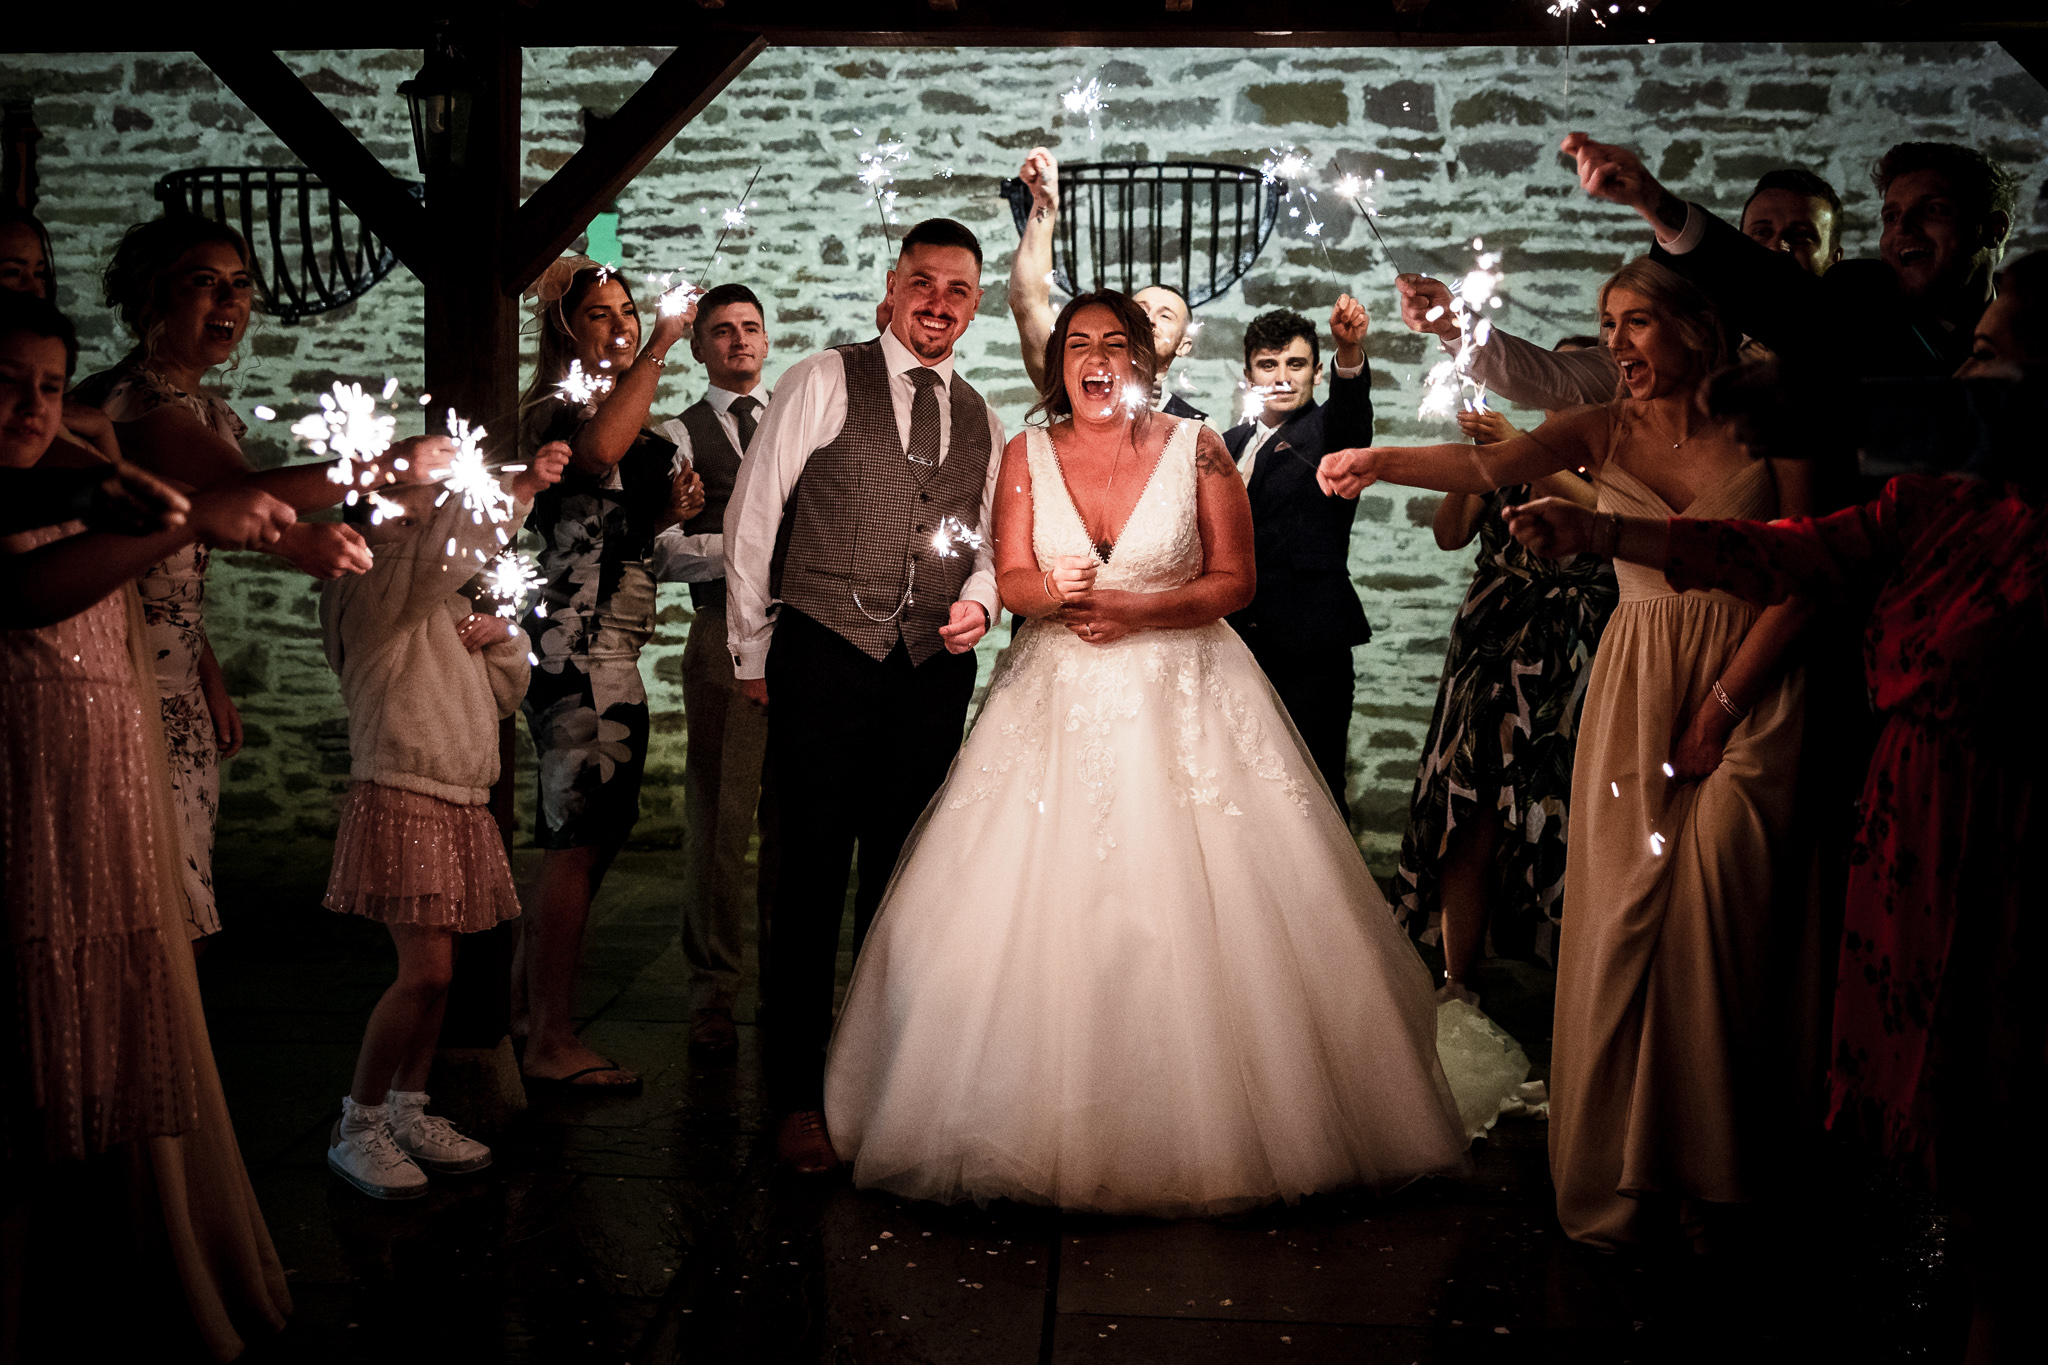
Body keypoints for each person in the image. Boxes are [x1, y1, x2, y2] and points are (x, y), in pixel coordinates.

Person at [821, 289, 1468, 1215]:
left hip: (1188, 693)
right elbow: (1008, 577)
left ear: (1142, 361)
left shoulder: (1197, 448)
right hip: (1049, 700)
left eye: (1113, 344)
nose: (1095, 358)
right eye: (1077, 344)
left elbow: (1232, 581)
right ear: (1059, 368)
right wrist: (1050, 589)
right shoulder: (1023, 453)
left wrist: (1133, 607)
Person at [1320, 258, 1817, 1251]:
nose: (1617, 342)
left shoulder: (1773, 428)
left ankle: (1724, 1176)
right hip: (1638, 678)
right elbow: (1482, 469)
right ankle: (1629, 1170)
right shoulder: (1601, 429)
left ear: (1699, 330)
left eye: (1637, 322)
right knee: (1628, 916)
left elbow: (1806, 572)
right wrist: (1376, 461)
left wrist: (1721, 708)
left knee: (1723, 915)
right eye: (1606, 322)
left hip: (1751, 674)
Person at [2, 290, 294, 1360]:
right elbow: (28, 592)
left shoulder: (83, 461)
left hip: (98, 763)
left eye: (44, 385)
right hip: (22, 774)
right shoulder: (100, 447)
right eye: (6, 383)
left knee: (94, 1042)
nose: (33, 405)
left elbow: (226, 494)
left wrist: (381, 476)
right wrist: (193, 520)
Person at [723, 218, 1000, 1172]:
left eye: (958, 289)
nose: (938, 302)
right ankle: (797, 1096)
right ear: (893, 288)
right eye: (923, 282)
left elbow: (989, 543)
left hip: (929, 672)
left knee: (901, 885)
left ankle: (881, 1082)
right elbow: (753, 512)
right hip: (825, 654)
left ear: (975, 303)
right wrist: (751, 648)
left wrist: (980, 601)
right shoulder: (824, 378)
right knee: (806, 879)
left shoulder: (984, 417)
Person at [71, 214, 391, 946]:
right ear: (154, 296)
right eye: (205, 283)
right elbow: (248, 498)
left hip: (174, 679)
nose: (230, 303)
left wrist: (207, 670)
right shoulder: (139, 407)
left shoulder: (195, 405)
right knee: (143, 910)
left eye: (241, 285)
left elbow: (165, 563)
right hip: (123, 685)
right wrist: (390, 463)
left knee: (174, 904)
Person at [319, 439, 569, 1198]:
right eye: (414, 510)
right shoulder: (367, 587)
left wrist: (507, 641)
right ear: (376, 523)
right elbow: (436, 559)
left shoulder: (440, 601)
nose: (428, 522)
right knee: (423, 972)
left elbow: (498, 697)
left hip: (457, 800)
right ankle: (357, 1124)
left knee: (443, 976)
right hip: (403, 791)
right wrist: (518, 490)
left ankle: (408, 1106)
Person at [512, 255, 703, 1093]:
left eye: (630, 311)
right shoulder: (550, 408)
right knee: (575, 835)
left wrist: (665, 515)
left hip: (616, 646)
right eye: (601, 314)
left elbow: (618, 532)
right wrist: (663, 343)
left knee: (600, 833)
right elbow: (591, 458)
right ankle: (548, 1036)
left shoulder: (640, 422)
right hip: (574, 649)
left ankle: (530, 1007)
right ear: (564, 328)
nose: (622, 325)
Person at [1395, 339, 1618, 995]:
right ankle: (1457, 976)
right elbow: (1448, 533)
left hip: (1565, 650)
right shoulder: (1516, 451)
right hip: (1489, 649)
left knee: (1561, 809)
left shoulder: (1610, 457)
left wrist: (1519, 442)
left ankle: (1566, 982)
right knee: (1471, 807)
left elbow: (1605, 515)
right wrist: (1486, 461)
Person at [1396, 166, 1847, 414]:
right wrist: (1458, 326)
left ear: (1836, 258)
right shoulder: (1680, 351)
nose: (1776, 249)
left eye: (1802, 237)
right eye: (1760, 234)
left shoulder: (1856, 341)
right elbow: (1554, 378)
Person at [1566, 133, 2015, 381]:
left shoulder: (2035, 322)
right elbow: (1768, 287)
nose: (1903, 231)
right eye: (1891, 216)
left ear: (1994, 229)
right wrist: (1651, 199)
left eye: (1933, 211)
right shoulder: (1858, 298)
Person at [649, 282, 777, 1060]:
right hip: (720, 638)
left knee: (797, 825)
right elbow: (663, 551)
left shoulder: (799, 419)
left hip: (807, 642)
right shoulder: (676, 435)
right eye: (723, 331)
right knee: (721, 823)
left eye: (750, 328)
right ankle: (713, 992)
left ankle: (785, 984)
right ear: (699, 347)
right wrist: (759, 553)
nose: (739, 342)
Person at [1220, 301, 1375, 817]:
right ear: (1249, 374)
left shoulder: (1329, 431)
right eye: (1269, 365)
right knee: (1238, 791)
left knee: (1315, 791)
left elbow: (1353, 411)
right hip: (1231, 646)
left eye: (1296, 364)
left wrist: (1348, 351)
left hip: (1310, 649)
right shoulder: (1225, 444)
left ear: (1314, 369)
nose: (1283, 378)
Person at [1009, 148, 1207, 420]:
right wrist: (1045, 203)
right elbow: (1028, 302)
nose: (1149, 319)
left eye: (1166, 315)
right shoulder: (1075, 386)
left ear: (1184, 345)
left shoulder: (1198, 427)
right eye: (1141, 308)